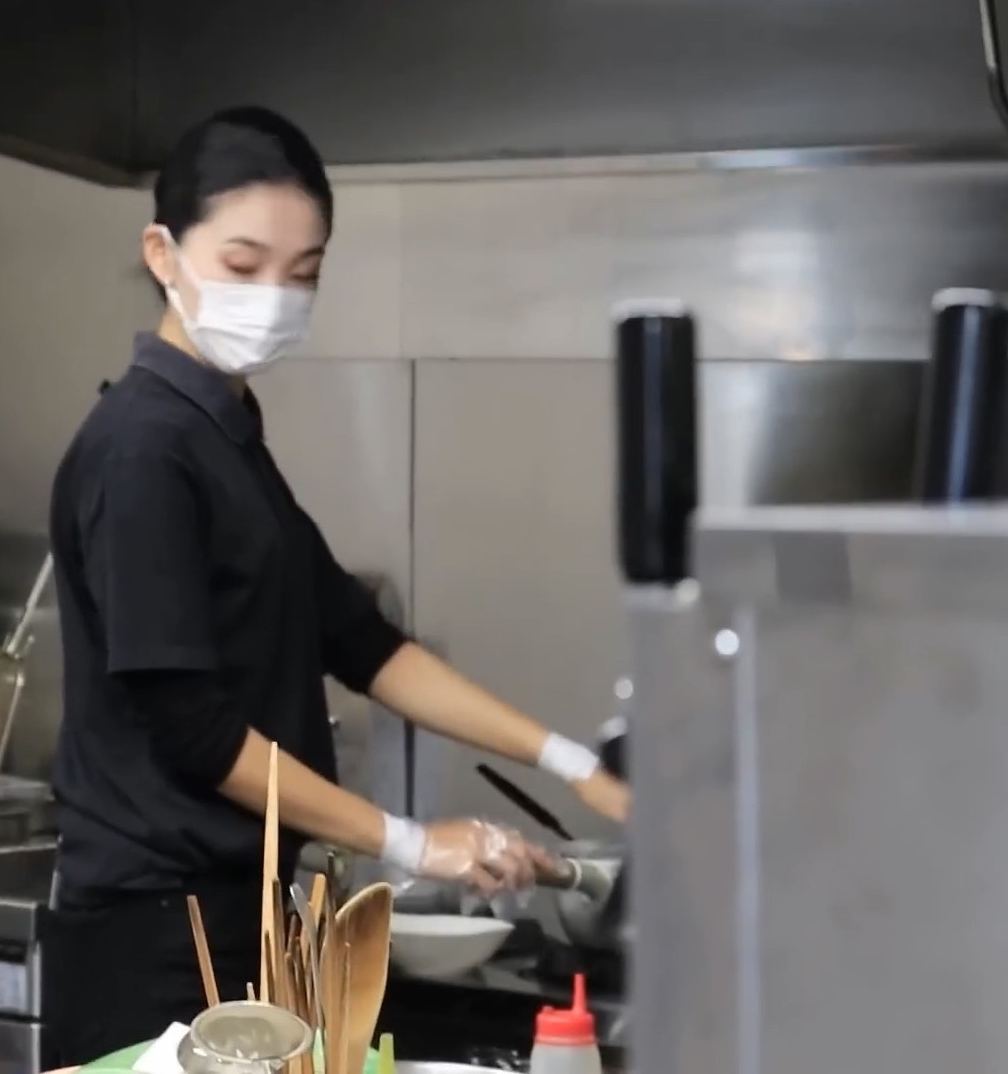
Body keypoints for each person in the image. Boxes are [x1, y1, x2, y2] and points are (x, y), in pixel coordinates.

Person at [38, 106, 631, 1068]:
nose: (275, 294)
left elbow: (363, 642)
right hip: (155, 933)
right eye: (243, 263)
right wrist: (410, 840)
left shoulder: (223, 433)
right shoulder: (142, 450)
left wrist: (570, 762)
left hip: (246, 918)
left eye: (304, 271)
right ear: (162, 252)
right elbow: (193, 731)